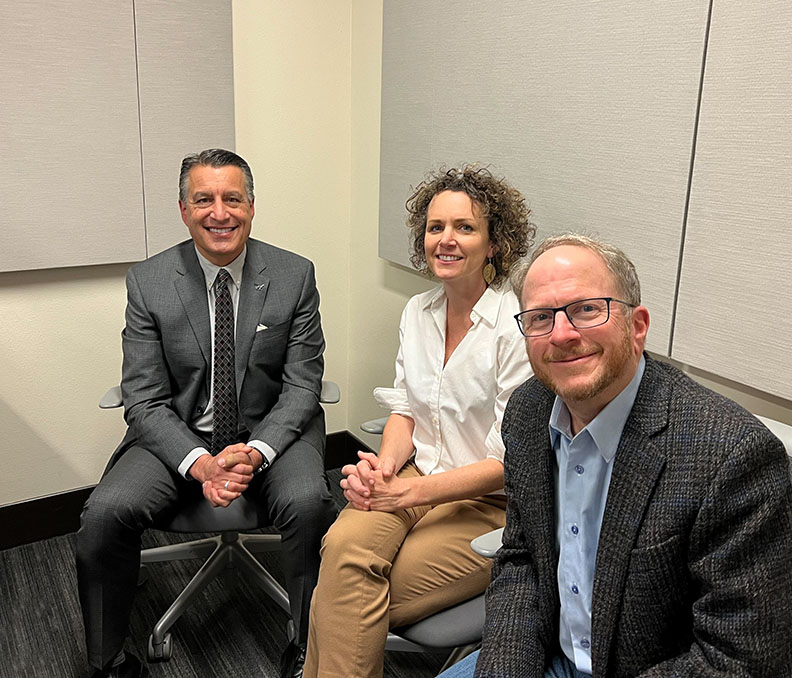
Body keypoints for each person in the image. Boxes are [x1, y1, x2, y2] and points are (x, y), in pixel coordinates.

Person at [439, 233, 792, 677]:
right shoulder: (529, 412)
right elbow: (524, 559)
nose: (563, 335)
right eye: (539, 318)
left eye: (587, 309)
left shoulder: (729, 456)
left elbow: (742, 661)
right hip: (555, 655)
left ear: (637, 326)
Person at [76, 149, 336, 678]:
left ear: (252, 206)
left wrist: (256, 452)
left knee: (310, 503)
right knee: (104, 515)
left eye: (232, 198)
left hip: (271, 434)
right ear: (183, 209)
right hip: (178, 435)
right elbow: (143, 398)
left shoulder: (293, 274)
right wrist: (199, 462)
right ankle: (108, 662)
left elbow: (303, 385)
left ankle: (309, 648)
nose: (220, 212)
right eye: (204, 199)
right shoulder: (149, 281)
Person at [302, 166, 536, 678]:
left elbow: (507, 465)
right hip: (413, 477)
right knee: (340, 551)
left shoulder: (514, 328)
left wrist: (403, 496)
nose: (445, 240)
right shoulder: (417, 311)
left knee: (347, 594)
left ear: (495, 243)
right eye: (435, 227)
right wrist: (382, 470)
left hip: (487, 503)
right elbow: (405, 410)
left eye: (464, 227)